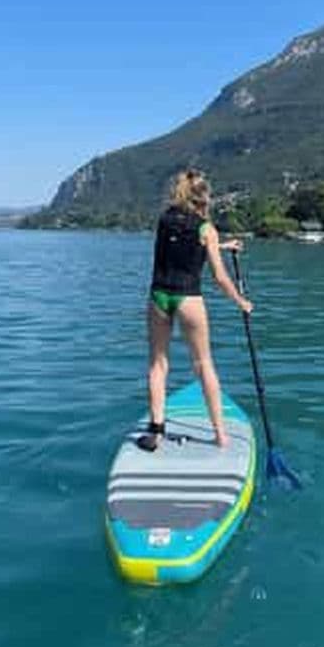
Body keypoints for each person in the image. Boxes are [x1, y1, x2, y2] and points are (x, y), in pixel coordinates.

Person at [138, 168, 253, 452]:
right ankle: (221, 436)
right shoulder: (206, 229)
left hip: (159, 297)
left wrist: (222, 245)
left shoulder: (164, 221)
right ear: (204, 196)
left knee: (157, 364)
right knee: (203, 365)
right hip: (188, 299)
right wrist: (241, 302)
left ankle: (156, 431)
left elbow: (181, 245)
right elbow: (220, 278)